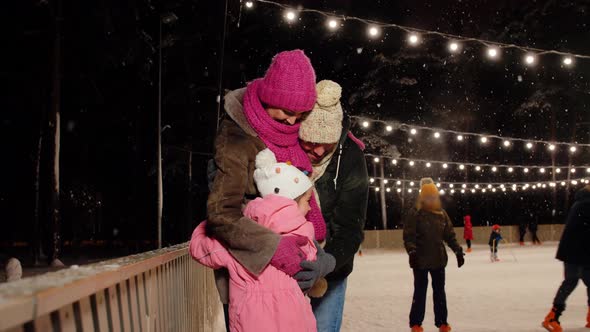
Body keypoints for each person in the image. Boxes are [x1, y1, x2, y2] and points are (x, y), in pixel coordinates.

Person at [206, 50, 335, 329]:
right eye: (288, 112)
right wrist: (274, 247)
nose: (292, 122)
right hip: (251, 283)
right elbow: (222, 214)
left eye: (301, 115)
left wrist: (318, 257)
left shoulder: (291, 138)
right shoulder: (238, 138)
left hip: (292, 284)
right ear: (269, 99)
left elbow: (300, 203)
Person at [191, 149, 331, 332]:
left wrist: (214, 220)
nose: (309, 208)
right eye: (306, 201)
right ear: (290, 203)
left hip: (251, 321)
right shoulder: (303, 238)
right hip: (295, 321)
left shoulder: (240, 238)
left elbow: (200, 249)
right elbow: (314, 266)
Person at [298, 80, 369, 331]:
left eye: (325, 143)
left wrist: (327, 262)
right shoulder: (284, 147)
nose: (317, 151)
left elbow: (351, 226)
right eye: (309, 141)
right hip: (285, 265)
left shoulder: (350, 157)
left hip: (332, 264)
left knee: (325, 327)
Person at [403, 178, 464, 332]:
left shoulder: (441, 214)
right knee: (420, 292)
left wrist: (457, 250)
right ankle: (416, 323)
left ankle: (442, 322)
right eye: (428, 196)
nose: (431, 199)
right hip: (420, 260)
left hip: (438, 259)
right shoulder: (415, 213)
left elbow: (449, 235)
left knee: (439, 292)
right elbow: (409, 235)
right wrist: (412, 250)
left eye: (433, 196)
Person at [542, 185, 590, 332]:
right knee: (571, 281)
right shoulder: (585, 204)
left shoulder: (582, 202)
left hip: (582, 251)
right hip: (574, 252)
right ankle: (552, 317)